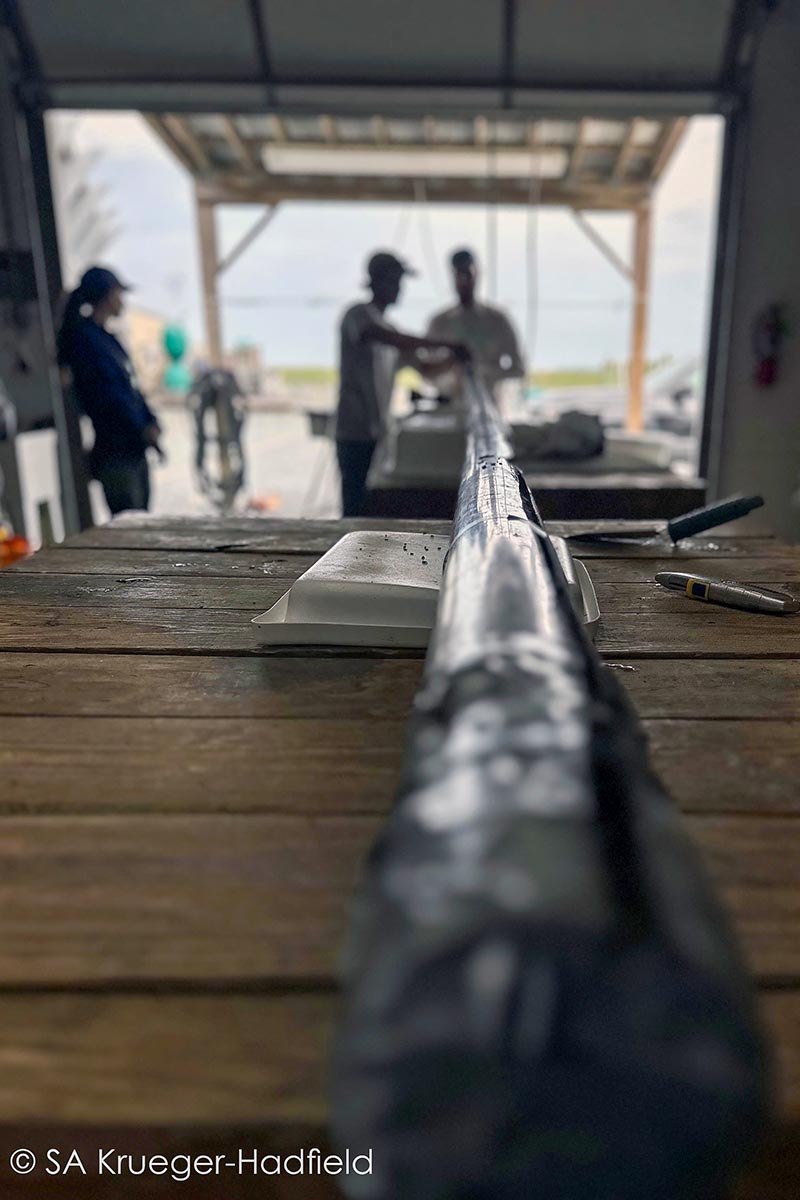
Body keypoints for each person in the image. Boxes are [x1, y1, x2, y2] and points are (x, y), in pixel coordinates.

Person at [336, 250, 469, 516]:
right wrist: (446, 344)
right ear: (376, 282)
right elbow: (389, 338)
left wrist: (455, 359)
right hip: (354, 432)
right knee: (355, 504)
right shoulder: (358, 315)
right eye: (394, 281)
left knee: (373, 501)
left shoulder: (390, 328)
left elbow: (425, 369)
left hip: (379, 431)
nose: (399, 288)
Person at [57, 266, 163, 515]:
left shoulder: (108, 340)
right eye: (118, 293)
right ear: (106, 296)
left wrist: (150, 421)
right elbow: (109, 396)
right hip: (115, 452)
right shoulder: (85, 342)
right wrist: (141, 426)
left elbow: (131, 389)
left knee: (141, 524)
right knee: (131, 528)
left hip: (132, 449)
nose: (122, 300)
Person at [427, 248, 525, 398]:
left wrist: (484, 374)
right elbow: (426, 370)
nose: (464, 282)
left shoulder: (498, 320)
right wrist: (450, 378)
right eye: (459, 275)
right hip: (451, 409)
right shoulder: (440, 322)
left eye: (468, 275)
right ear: (452, 277)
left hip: (490, 406)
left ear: (477, 274)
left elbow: (518, 368)